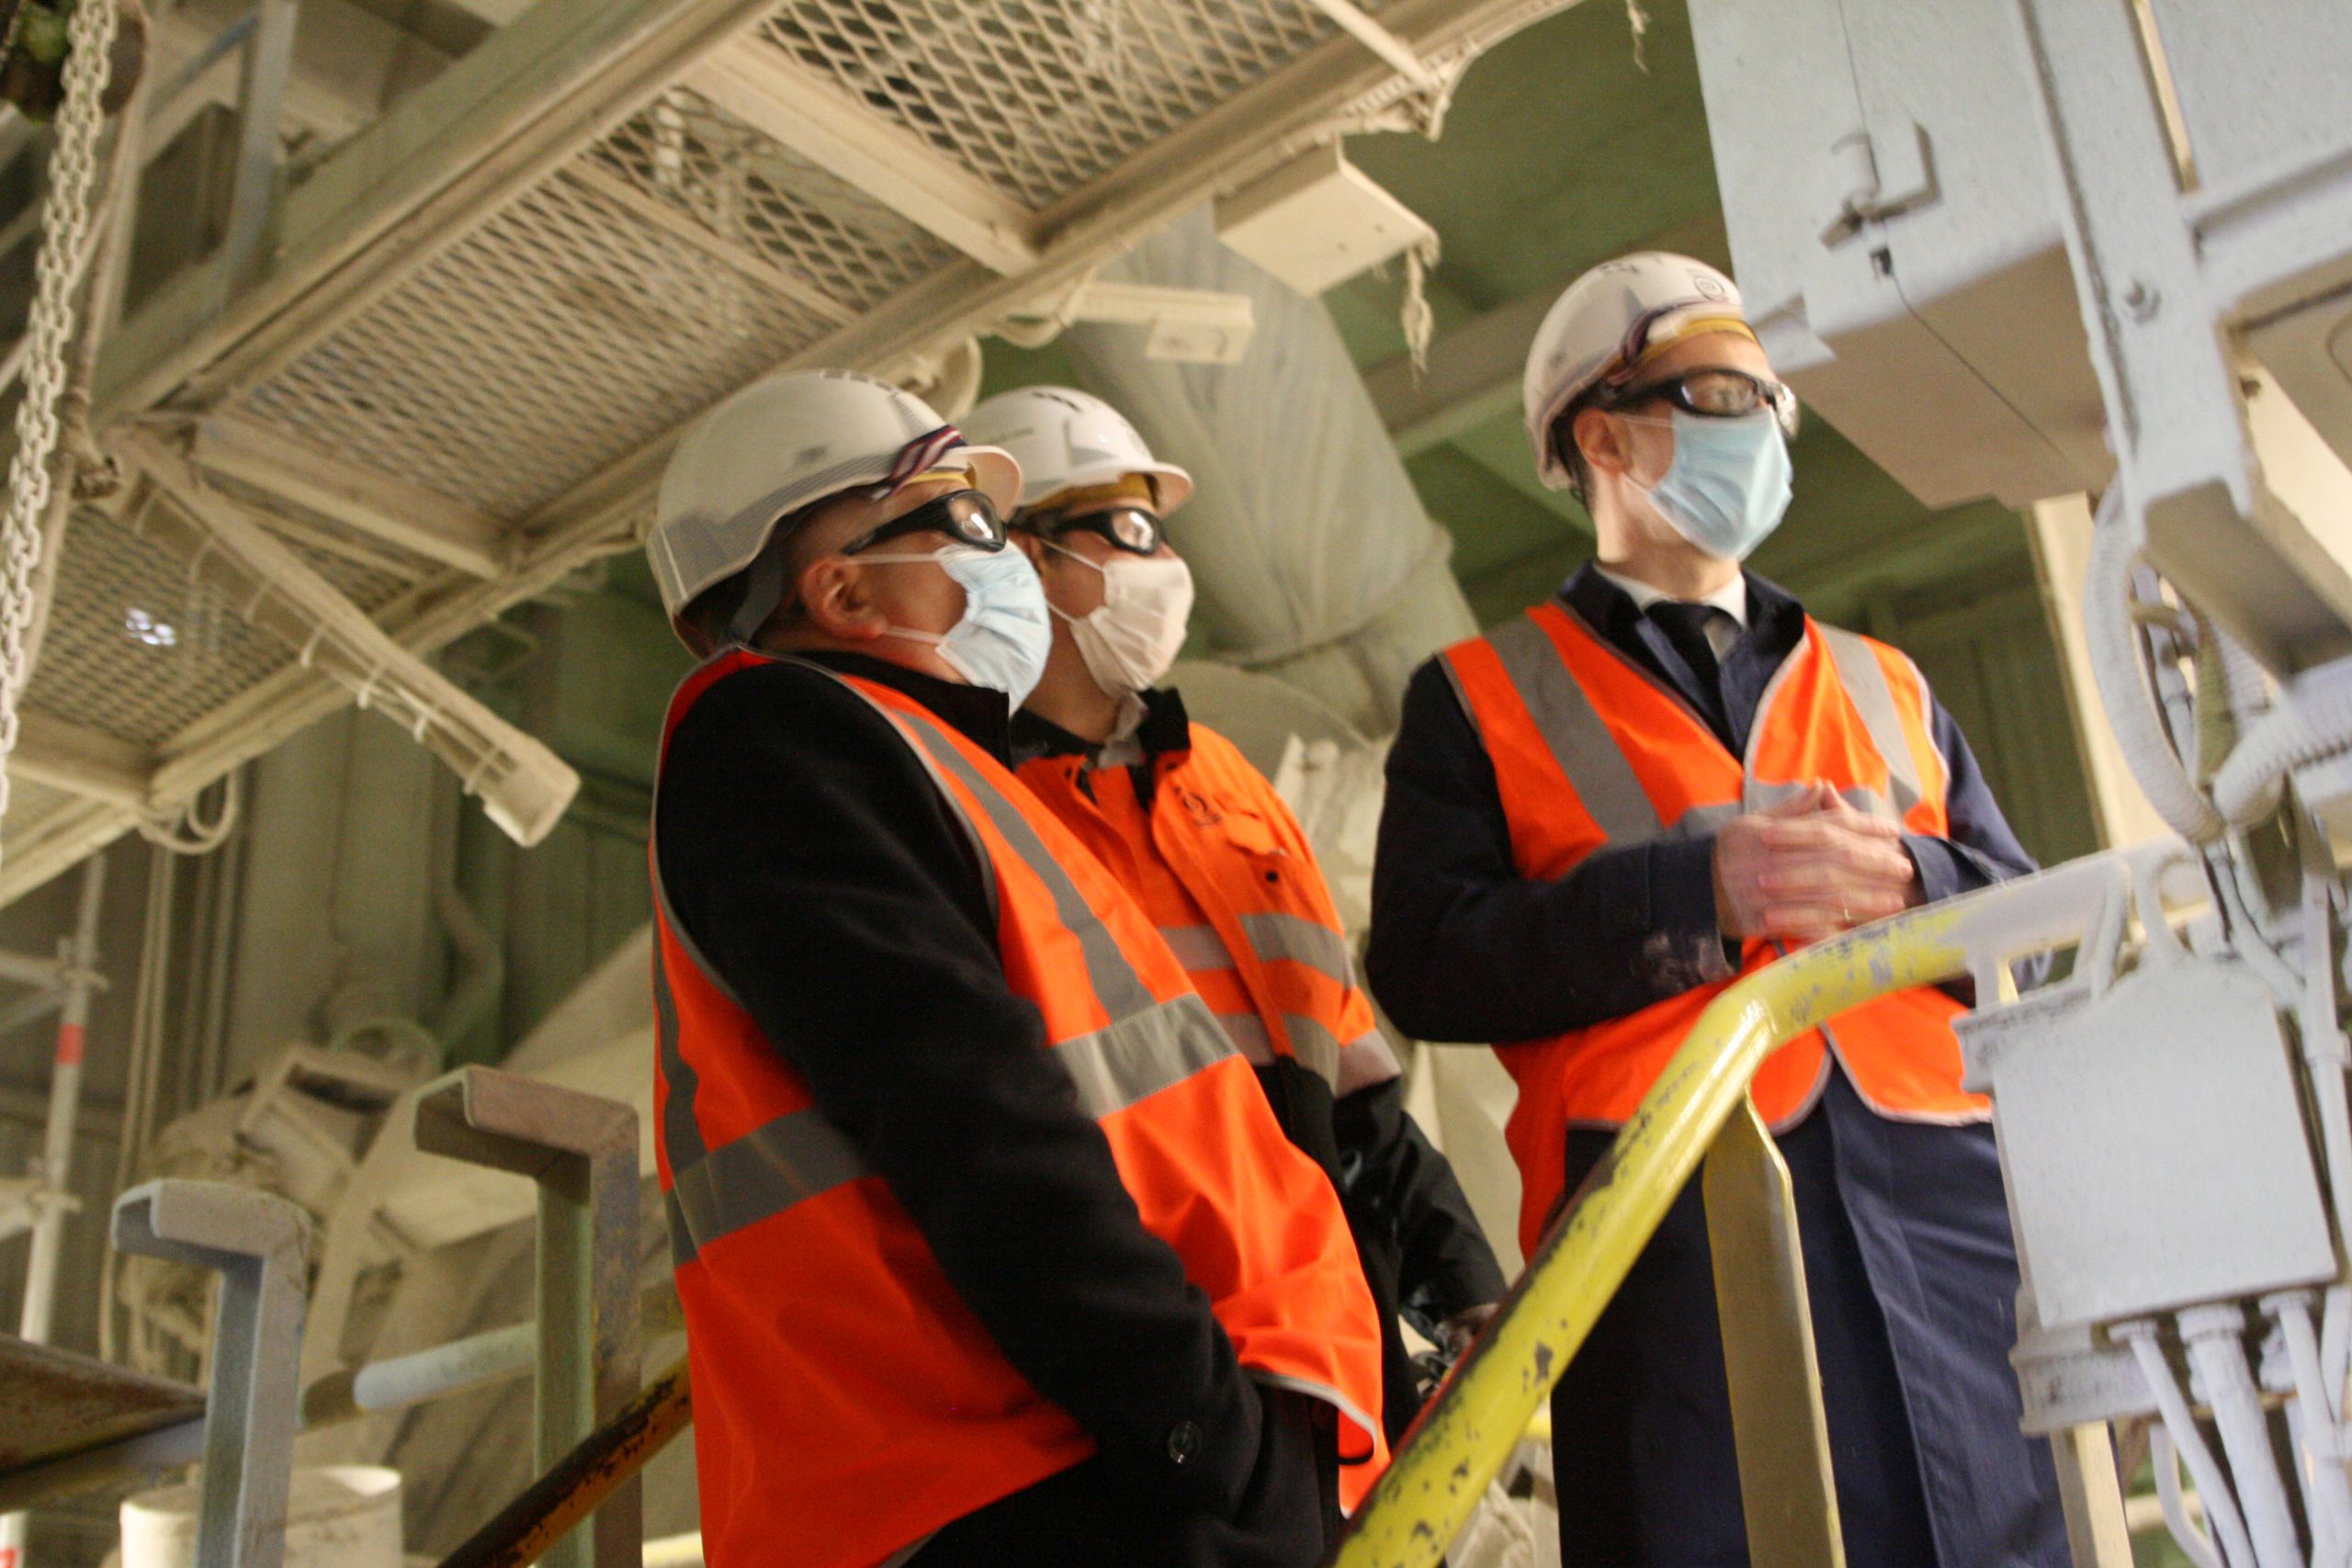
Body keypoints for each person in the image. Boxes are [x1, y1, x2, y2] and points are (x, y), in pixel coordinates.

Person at [1364, 254, 2069, 1567]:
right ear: (1603, 436)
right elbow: (1425, 963)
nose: (1765, 427)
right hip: (1661, 1225)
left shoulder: (1885, 680)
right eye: (1725, 395)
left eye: (1769, 401)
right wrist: (1698, 897)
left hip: (1953, 1220)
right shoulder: (1477, 697)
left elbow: (2032, 919)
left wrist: (1914, 883)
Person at [644, 369, 1386, 1568]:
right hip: (1047, 1476)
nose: (1004, 558)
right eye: (964, 518)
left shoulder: (947, 772)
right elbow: (970, 1115)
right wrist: (1198, 1426)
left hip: (1109, 1455)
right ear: (841, 590)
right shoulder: (782, 738)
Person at [963, 385, 1509, 1451]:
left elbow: (1351, 1084)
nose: (1164, 566)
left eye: (1161, 534)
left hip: (1330, 1317)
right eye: (1128, 529)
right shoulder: (975, 809)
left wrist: (1462, 1282)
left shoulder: (1226, 781)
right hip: (1143, 1344)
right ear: (1025, 556)